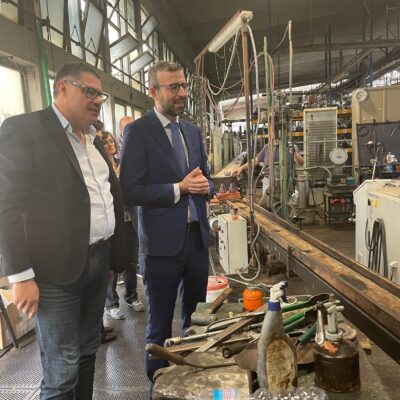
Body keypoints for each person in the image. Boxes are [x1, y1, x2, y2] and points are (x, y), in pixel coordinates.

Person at [0, 62, 127, 399]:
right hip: (54, 272)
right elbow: (6, 205)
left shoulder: (93, 140)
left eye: (100, 95)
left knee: (87, 352)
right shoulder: (25, 130)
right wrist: (20, 275)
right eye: (89, 91)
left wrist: (111, 258)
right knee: (62, 369)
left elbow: (105, 197)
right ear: (62, 88)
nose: (97, 100)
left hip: (98, 262)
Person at [120, 60, 214, 386]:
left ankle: (192, 380)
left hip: (196, 241)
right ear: (153, 91)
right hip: (161, 247)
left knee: (196, 318)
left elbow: (206, 178)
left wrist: (206, 187)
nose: (182, 93)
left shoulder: (191, 131)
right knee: (159, 325)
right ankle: (157, 385)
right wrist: (179, 188)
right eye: (174, 87)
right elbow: (130, 190)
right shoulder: (138, 132)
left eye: (184, 86)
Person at [101, 131, 144, 318]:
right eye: (105, 142)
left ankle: (132, 296)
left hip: (129, 219)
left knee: (130, 262)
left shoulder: (122, 164)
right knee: (112, 263)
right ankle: (111, 304)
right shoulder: (102, 167)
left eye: (111, 141)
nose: (110, 144)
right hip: (113, 223)